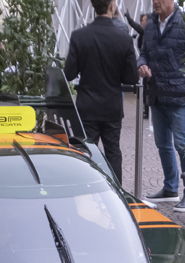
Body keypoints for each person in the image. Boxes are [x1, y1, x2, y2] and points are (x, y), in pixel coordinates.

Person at [64, 0, 138, 184]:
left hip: (87, 106)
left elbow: (69, 73)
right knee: (113, 151)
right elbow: (132, 78)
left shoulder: (79, 36)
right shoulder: (123, 38)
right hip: (111, 105)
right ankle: (116, 195)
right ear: (112, 6)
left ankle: (84, 190)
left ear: (92, 6)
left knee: (85, 152)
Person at [138, 0, 185, 211]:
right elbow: (144, 51)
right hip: (156, 94)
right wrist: (141, 64)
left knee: (183, 146)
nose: (155, 2)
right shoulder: (151, 24)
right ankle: (170, 188)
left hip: (179, 96)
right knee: (163, 144)